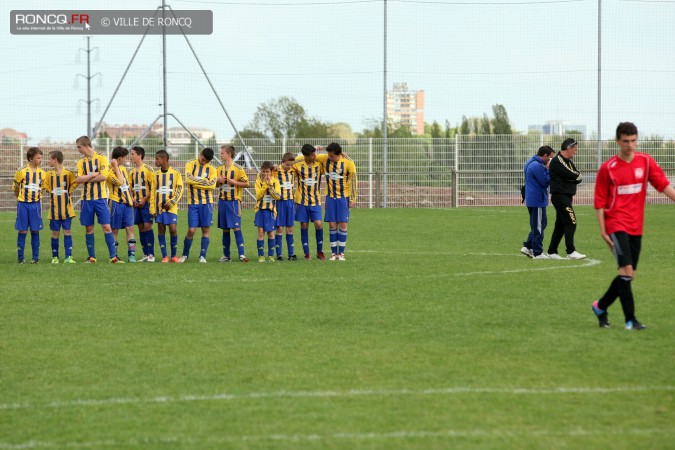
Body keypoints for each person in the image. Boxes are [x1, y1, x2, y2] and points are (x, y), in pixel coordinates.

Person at [591, 122, 675, 330]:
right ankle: (631, 321)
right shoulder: (608, 169)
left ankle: (600, 306)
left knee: (628, 275)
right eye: (626, 141)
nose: (630, 145)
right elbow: (600, 203)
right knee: (626, 271)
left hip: (636, 226)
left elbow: (663, 185)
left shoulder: (645, 162)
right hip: (615, 224)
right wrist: (603, 231)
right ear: (618, 141)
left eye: (633, 140)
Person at [74, 136, 123, 263]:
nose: (78, 149)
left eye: (79, 147)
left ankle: (113, 257)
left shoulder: (101, 158)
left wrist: (87, 178)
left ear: (86, 146)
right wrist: (93, 174)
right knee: (89, 228)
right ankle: (92, 257)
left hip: (101, 199)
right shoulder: (80, 162)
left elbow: (103, 177)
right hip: (86, 200)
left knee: (107, 227)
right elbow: (78, 179)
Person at [546, 138, 585, 260]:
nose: (576, 152)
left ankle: (552, 251)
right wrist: (572, 177)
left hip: (566, 196)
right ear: (569, 148)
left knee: (560, 225)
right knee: (571, 221)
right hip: (560, 196)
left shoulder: (567, 161)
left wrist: (572, 177)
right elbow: (573, 175)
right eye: (575, 149)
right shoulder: (558, 161)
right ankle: (570, 251)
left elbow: (579, 177)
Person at [318, 143, 357, 261]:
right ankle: (334, 253)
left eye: (332, 156)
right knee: (332, 224)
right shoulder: (325, 158)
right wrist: (318, 149)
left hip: (343, 198)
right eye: (328, 155)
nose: (329, 158)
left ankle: (342, 254)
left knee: (343, 224)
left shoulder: (349, 163)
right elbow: (304, 156)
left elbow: (354, 181)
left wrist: (353, 198)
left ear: (339, 154)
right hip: (330, 197)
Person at [179, 147, 217, 263]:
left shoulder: (212, 169)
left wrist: (197, 182)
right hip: (193, 203)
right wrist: (205, 181)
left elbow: (212, 186)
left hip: (207, 203)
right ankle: (185, 255)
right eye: (203, 159)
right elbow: (188, 180)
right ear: (200, 154)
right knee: (191, 230)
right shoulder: (190, 164)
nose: (204, 162)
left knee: (205, 229)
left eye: (206, 161)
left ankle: (202, 256)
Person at [292, 144, 326, 260]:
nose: (314, 156)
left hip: (315, 201)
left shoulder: (319, 165)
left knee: (318, 224)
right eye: (312, 155)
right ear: (305, 156)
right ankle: (307, 253)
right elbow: (287, 165)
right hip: (301, 201)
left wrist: (342, 155)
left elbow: (328, 159)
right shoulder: (297, 166)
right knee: (304, 225)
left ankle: (320, 251)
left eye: (314, 154)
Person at [216, 144, 250, 263]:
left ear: (228, 154)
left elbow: (247, 183)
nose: (220, 155)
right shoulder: (219, 169)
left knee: (236, 227)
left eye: (222, 153)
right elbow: (215, 185)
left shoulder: (238, 169)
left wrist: (234, 182)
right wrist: (217, 181)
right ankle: (226, 255)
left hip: (234, 202)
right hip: (222, 202)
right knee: (225, 229)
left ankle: (242, 255)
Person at [520, 146, 554, 259]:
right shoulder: (537, 166)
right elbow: (545, 182)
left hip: (533, 199)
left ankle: (528, 246)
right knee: (539, 226)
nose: (550, 160)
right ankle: (538, 252)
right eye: (549, 158)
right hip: (537, 200)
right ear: (544, 155)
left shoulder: (530, 161)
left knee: (540, 224)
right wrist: (549, 170)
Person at [43, 150, 78, 264]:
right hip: (54, 210)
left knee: (67, 232)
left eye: (50, 159)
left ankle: (68, 257)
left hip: (67, 210)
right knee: (55, 233)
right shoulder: (49, 174)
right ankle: (55, 257)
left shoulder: (68, 173)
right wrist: (50, 190)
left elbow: (75, 182)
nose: (48, 161)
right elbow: (44, 184)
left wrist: (68, 191)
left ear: (55, 160)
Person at [13, 147, 45, 264]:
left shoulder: (42, 173)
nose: (40, 160)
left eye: (41, 157)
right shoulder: (22, 171)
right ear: (30, 158)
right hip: (23, 205)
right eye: (38, 158)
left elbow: (43, 188)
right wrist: (20, 198)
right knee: (22, 231)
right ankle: (21, 258)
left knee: (35, 230)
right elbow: (15, 187)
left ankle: (35, 258)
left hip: (35, 205)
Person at [152, 150, 183, 263]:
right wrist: (153, 208)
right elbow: (153, 192)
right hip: (159, 208)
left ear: (164, 159)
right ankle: (165, 256)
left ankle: (174, 256)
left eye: (157, 159)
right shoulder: (155, 174)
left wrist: (172, 202)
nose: (155, 161)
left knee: (173, 229)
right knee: (161, 229)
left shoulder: (175, 173)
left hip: (172, 207)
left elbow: (180, 189)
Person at [108, 146, 137, 262]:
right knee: (114, 230)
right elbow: (120, 182)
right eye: (124, 157)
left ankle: (132, 255)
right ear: (120, 158)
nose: (126, 159)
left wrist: (131, 198)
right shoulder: (109, 172)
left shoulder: (124, 169)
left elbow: (127, 185)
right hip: (116, 203)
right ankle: (114, 255)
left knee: (130, 228)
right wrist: (115, 167)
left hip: (127, 204)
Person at [129, 146, 156, 262]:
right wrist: (133, 199)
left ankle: (151, 254)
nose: (131, 157)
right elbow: (130, 188)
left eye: (133, 154)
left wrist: (144, 199)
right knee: (140, 227)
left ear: (139, 156)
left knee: (147, 226)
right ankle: (145, 254)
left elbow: (153, 188)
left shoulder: (149, 170)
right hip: (136, 204)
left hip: (147, 203)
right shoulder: (132, 172)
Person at [254, 161, 281, 262]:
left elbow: (277, 196)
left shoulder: (276, 181)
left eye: (268, 172)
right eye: (264, 172)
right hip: (260, 210)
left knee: (270, 233)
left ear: (271, 172)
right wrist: (265, 185)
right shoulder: (258, 181)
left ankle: (270, 256)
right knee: (260, 232)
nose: (266, 174)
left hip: (271, 211)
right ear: (261, 172)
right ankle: (261, 256)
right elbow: (258, 196)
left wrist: (270, 185)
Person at [274, 152, 298, 261]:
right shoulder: (276, 170)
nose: (289, 167)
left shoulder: (293, 170)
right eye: (287, 164)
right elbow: (264, 172)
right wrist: (272, 166)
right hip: (280, 202)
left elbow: (301, 160)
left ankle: (291, 254)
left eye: (291, 165)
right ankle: (279, 254)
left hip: (290, 202)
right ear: (282, 162)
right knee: (279, 228)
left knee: (290, 228)